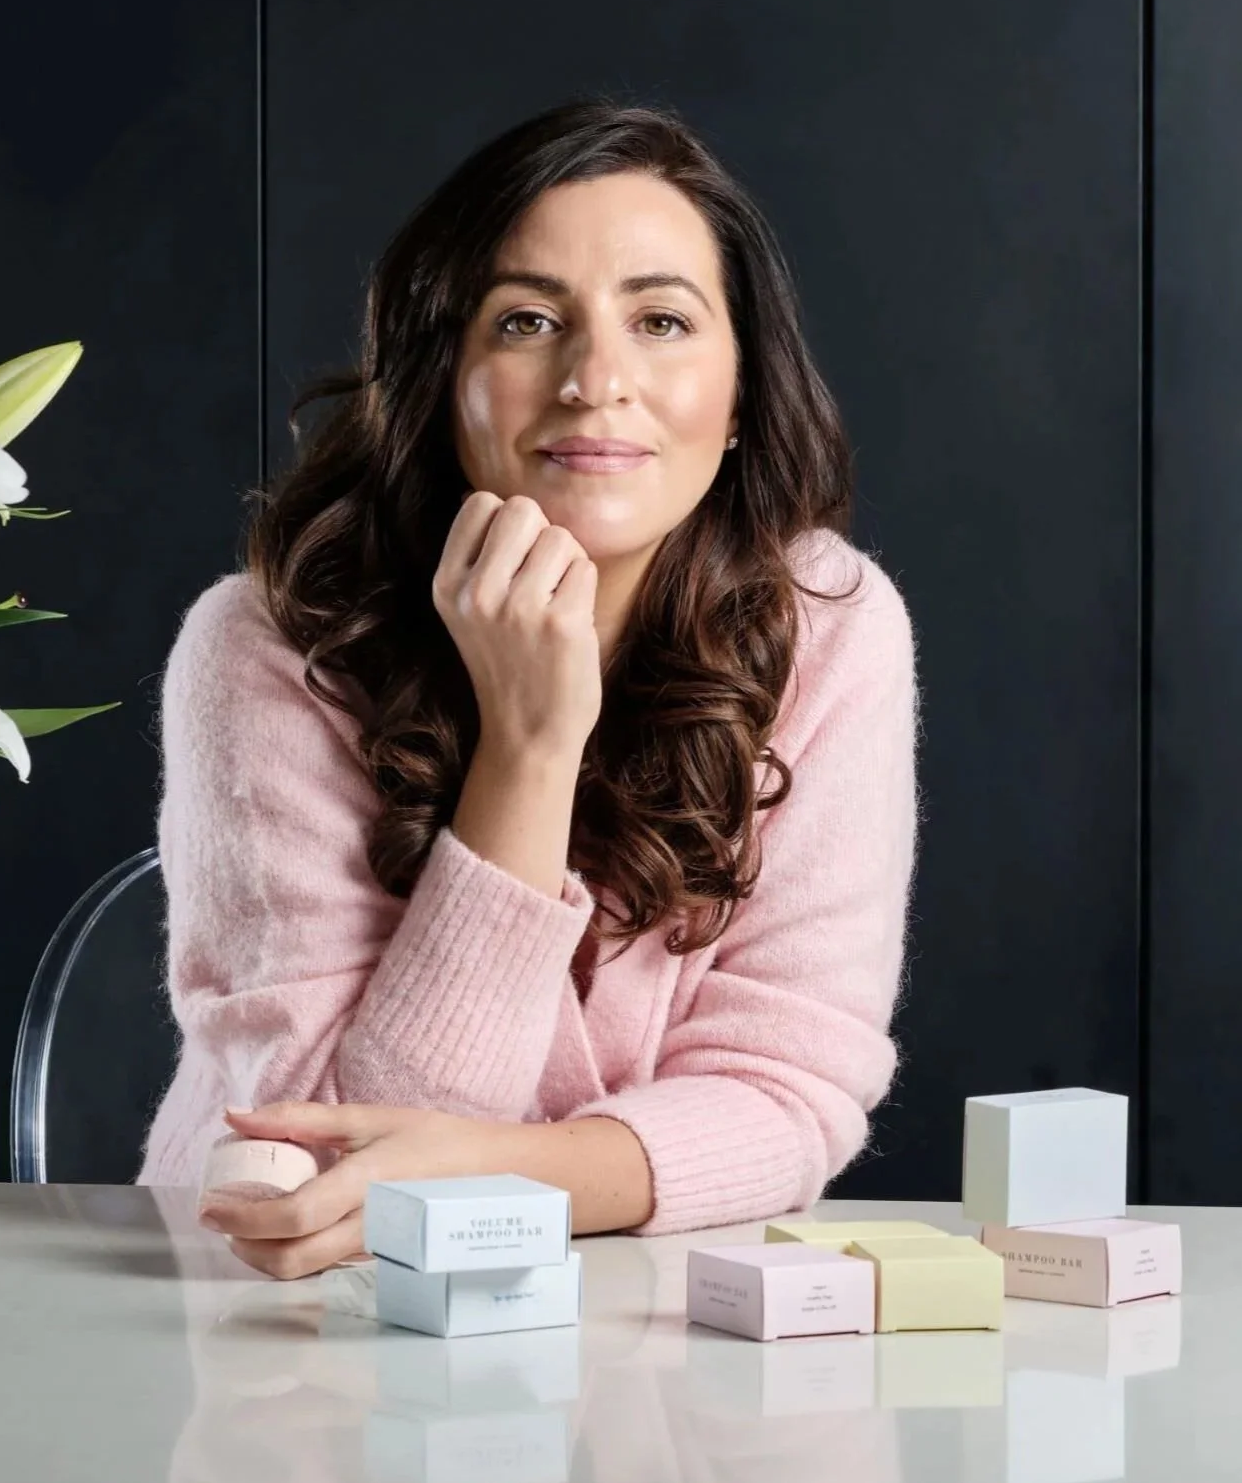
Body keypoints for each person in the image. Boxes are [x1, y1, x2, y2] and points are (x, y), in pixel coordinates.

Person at [136, 99, 919, 1281]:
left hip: (642, 1332)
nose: (596, 379)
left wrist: (514, 1175)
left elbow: (789, 1090)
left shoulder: (827, 624)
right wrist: (530, 745)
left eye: (660, 319)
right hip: (283, 1324)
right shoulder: (269, 644)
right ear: (443, 376)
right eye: (528, 320)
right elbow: (329, 1151)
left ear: (743, 389)